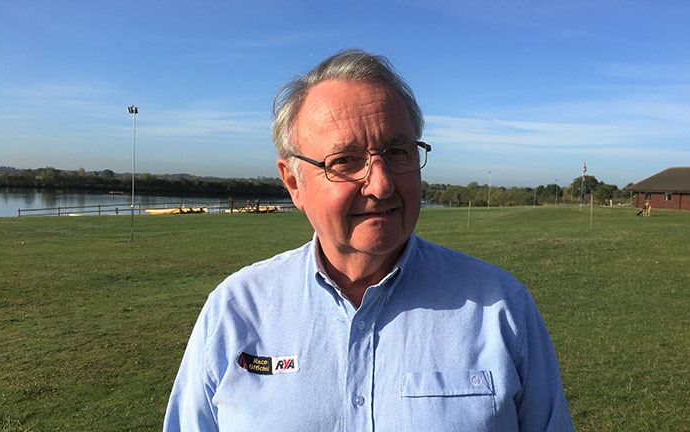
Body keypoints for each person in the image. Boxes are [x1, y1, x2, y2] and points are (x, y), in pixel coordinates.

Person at [164, 49, 574, 431]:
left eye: (397, 152)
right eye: (344, 161)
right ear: (294, 182)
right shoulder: (236, 310)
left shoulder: (501, 308)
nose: (380, 184)